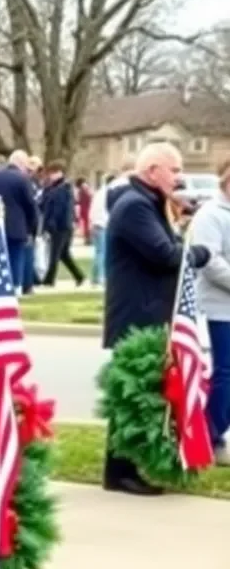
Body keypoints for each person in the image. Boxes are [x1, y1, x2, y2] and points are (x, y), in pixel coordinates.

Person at [104, 142, 211, 495]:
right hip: (137, 312)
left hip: (148, 308)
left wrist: (176, 220)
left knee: (142, 391)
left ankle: (129, 466)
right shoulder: (135, 206)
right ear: (152, 171)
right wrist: (199, 253)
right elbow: (165, 255)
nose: (179, 178)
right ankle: (120, 472)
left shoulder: (149, 203)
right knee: (131, 393)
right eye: (175, 170)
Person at [187, 158, 230, 465]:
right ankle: (208, 436)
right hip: (220, 307)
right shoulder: (211, 215)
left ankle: (215, 433)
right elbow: (211, 263)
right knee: (226, 374)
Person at [0, 150, 39, 295]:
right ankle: (15, 288)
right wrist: (32, 229)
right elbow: (30, 205)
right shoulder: (22, 180)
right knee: (16, 259)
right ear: (21, 163)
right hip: (17, 229)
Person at [41, 161, 85, 286]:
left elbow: (60, 209)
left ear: (60, 173)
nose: (51, 176)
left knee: (55, 253)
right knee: (63, 254)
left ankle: (49, 279)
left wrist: (52, 224)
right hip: (60, 225)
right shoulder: (53, 188)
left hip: (61, 226)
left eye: (54, 173)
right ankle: (79, 275)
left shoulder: (63, 188)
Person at [89, 173, 114, 286]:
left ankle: (95, 276)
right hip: (104, 224)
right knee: (103, 252)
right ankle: (100, 276)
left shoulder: (99, 193)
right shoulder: (109, 193)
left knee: (98, 251)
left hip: (96, 224)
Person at [75, 177, 93, 242]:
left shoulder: (82, 190)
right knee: (87, 224)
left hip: (84, 209)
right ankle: (88, 238)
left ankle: (87, 238)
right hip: (87, 208)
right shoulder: (86, 189)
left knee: (86, 224)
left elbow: (78, 200)